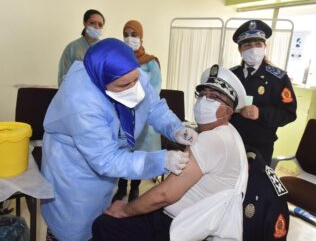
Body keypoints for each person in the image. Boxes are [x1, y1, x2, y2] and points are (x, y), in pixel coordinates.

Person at [41, 38, 198, 241]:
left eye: (136, 80)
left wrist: (175, 129)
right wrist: (161, 160)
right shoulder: (82, 102)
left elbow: (154, 106)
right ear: (101, 81)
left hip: (105, 166)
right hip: (75, 174)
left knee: (101, 223)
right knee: (72, 231)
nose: (134, 88)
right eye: (124, 85)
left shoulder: (129, 72)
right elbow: (106, 159)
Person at [92, 65, 249, 241]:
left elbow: (165, 195)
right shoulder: (230, 133)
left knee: (104, 224)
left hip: (176, 227)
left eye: (213, 97)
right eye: (202, 94)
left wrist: (125, 210)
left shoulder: (212, 140)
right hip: (190, 223)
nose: (204, 101)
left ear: (228, 112)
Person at [229, 19, 297, 165]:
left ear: (265, 46)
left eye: (258, 44)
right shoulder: (231, 75)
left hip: (260, 146)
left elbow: (289, 113)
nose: (253, 49)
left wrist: (261, 113)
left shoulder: (278, 78)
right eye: (247, 45)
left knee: (255, 185)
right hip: (231, 139)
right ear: (240, 49)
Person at [114, 20, 162, 202]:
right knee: (122, 152)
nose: (129, 38)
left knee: (138, 155)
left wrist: (137, 102)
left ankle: (134, 188)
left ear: (141, 37)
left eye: (133, 34)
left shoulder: (151, 63)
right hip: (122, 114)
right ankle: (121, 187)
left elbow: (155, 88)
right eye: (126, 34)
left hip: (143, 116)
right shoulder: (119, 59)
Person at [58, 9, 105, 86]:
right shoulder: (72, 48)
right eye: (92, 23)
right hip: (75, 94)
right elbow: (63, 77)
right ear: (84, 23)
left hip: (98, 95)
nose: (96, 27)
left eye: (100, 25)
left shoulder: (105, 49)